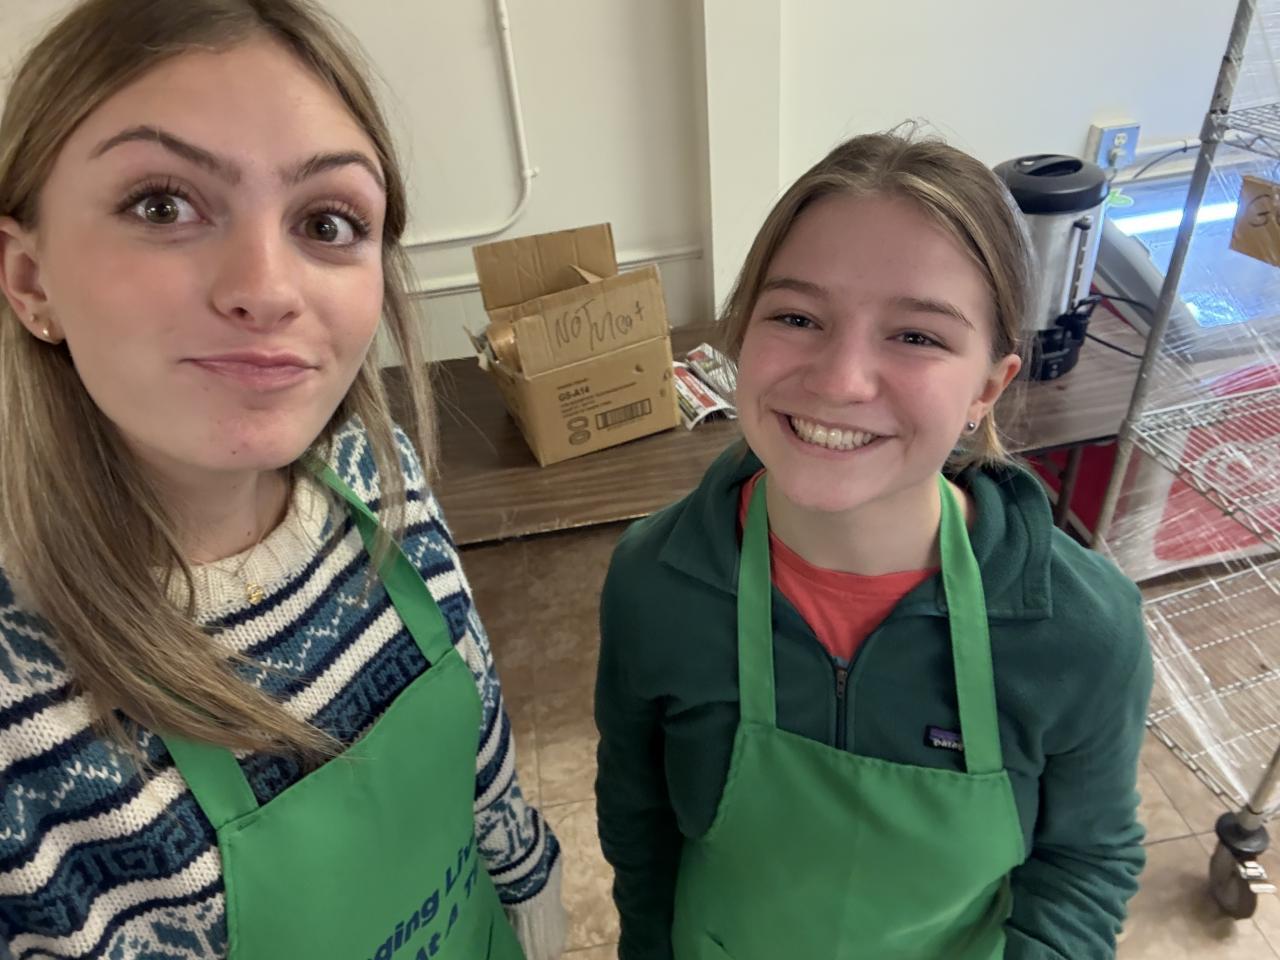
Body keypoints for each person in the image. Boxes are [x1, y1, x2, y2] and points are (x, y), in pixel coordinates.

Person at [0, 2, 565, 958]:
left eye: (327, 221)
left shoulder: (374, 473)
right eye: (162, 205)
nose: (265, 287)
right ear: (29, 278)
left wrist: (532, 892)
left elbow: (480, 733)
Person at [595, 131, 1153, 959]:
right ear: (741, 336)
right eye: (796, 317)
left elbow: (1084, 862)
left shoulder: (1081, 631)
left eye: (917, 336)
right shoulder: (655, 583)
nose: (840, 380)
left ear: (987, 388)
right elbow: (638, 826)